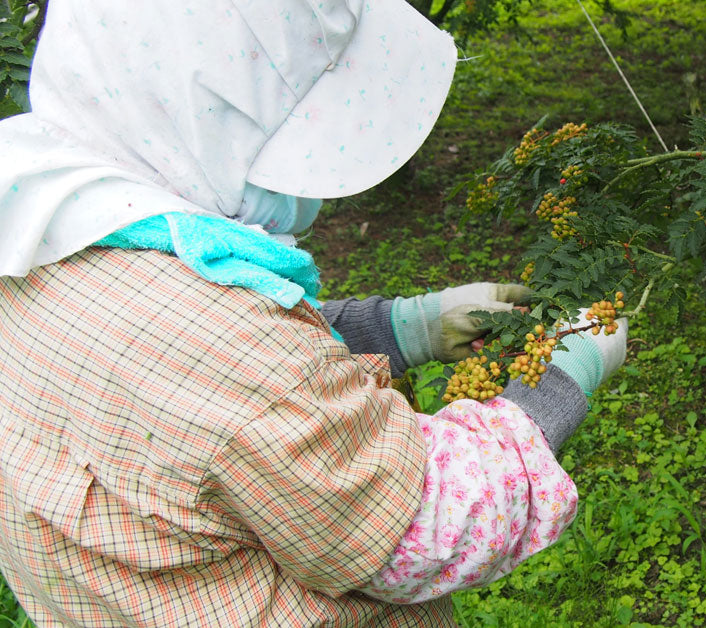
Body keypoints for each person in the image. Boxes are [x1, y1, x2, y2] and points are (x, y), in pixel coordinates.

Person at [0, 0, 627, 626]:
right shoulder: (231, 351)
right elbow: (425, 522)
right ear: (219, 124)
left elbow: (189, 401)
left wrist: (402, 328)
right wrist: (560, 374)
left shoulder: (41, 239)